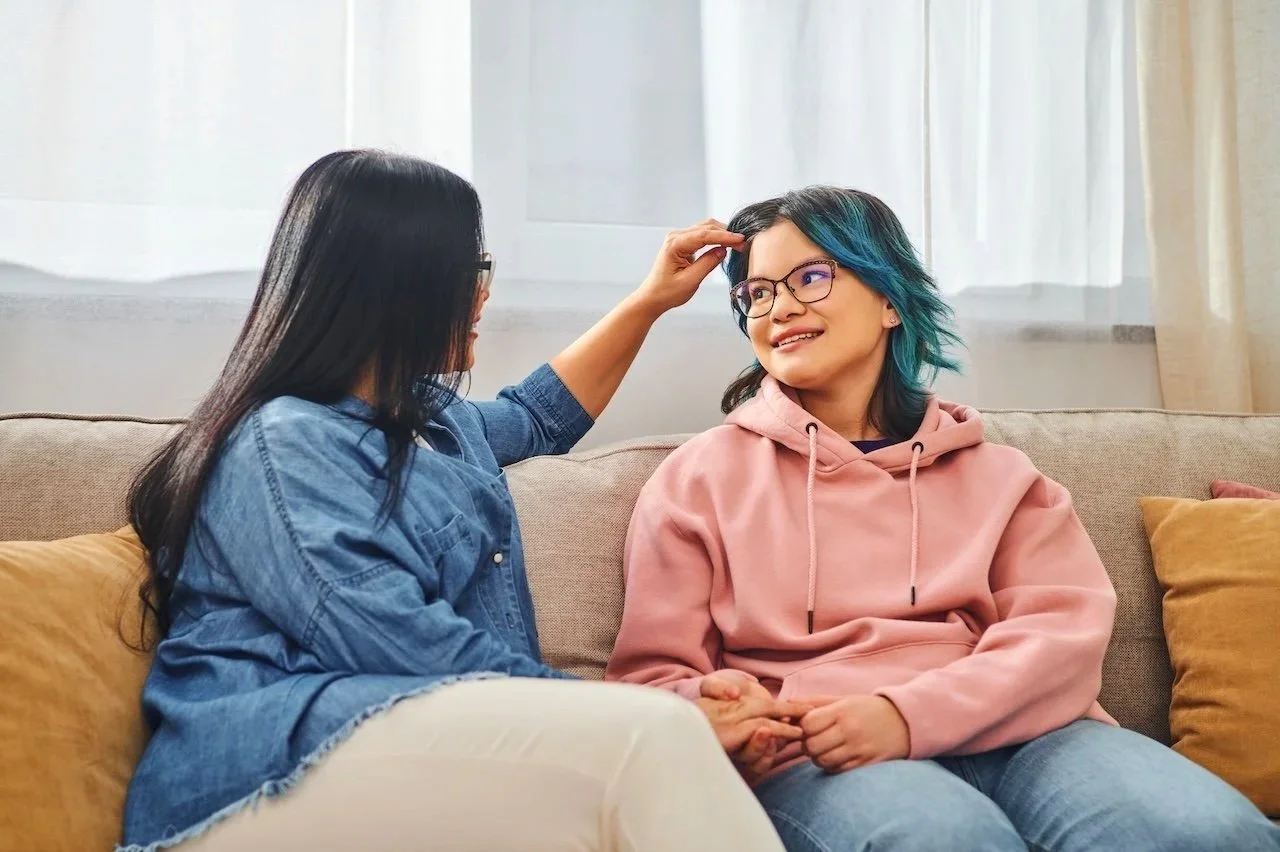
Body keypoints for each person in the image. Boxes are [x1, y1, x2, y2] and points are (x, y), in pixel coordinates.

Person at [118, 150, 799, 852]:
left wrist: (650, 300)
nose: (484, 296)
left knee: (648, 756)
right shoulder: (285, 441)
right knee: (654, 738)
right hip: (262, 775)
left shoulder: (434, 421)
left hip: (396, 748)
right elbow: (392, 641)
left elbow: (540, 415)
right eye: (473, 272)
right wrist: (649, 711)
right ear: (401, 286)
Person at [606, 186, 1280, 851]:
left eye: (811, 277)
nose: (779, 307)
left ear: (891, 300)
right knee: (949, 838)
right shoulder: (697, 480)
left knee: (1211, 831)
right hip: (822, 751)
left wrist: (906, 715)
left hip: (1029, 737)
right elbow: (652, 681)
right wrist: (722, 718)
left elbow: (1061, 638)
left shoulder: (1002, 476)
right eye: (757, 293)